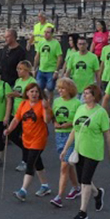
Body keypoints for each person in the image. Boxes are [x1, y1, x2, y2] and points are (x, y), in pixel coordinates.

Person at [60, 84, 110, 219]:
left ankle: (83, 211)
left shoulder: (101, 113)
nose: (84, 95)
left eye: (88, 93)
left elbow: (107, 134)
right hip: (79, 150)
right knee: (83, 180)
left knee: (85, 181)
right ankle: (97, 193)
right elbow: (74, 130)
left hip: (93, 151)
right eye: (84, 93)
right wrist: (66, 149)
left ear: (94, 96)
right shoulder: (80, 108)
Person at [5, 80, 52, 201]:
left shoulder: (42, 104)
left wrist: (46, 108)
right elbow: (16, 119)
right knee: (37, 162)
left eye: (36, 92)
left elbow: (47, 121)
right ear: (27, 93)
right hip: (27, 138)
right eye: (32, 91)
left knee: (30, 163)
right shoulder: (23, 104)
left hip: (39, 138)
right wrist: (9, 129)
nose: (34, 94)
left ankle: (23, 191)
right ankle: (45, 186)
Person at [49, 78, 82, 208]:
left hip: (71, 135)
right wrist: (55, 122)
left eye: (63, 88)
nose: (60, 90)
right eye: (59, 88)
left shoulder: (77, 103)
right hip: (59, 135)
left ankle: (59, 197)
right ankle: (76, 187)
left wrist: (69, 124)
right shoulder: (57, 101)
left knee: (64, 165)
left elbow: (79, 121)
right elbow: (52, 116)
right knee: (68, 164)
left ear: (69, 89)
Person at [34, 26, 63, 93]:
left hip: (51, 70)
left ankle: (49, 100)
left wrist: (56, 71)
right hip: (41, 69)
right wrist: (35, 68)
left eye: (48, 32)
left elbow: (59, 58)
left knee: (50, 88)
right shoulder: (41, 42)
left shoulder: (56, 43)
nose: (46, 34)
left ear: (52, 34)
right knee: (39, 88)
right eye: (45, 32)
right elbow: (37, 56)